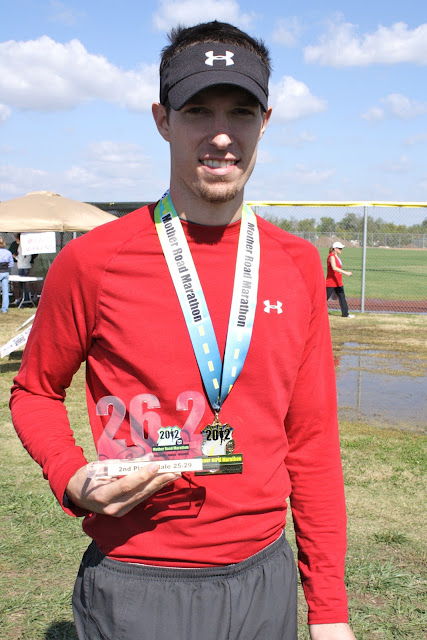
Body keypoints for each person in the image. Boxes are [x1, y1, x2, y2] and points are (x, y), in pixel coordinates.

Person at [10, 21, 356, 640]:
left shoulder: (298, 264)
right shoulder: (92, 261)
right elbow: (34, 390)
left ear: (265, 122)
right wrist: (70, 475)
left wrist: (328, 609)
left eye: (240, 112)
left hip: (263, 578)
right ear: (162, 119)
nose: (221, 134)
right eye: (198, 110)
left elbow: (312, 442)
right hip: (137, 580)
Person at [326, 241, 354, 318]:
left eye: (341, 248)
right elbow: (334, 267)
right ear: (335, 248)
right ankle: (315, 311)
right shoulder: (331, 256)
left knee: (342, 297)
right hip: (331, 282)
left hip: (338, 281)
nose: (341, 250)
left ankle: (345, 314)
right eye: (340, 248)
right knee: (324, 298)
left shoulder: (337, 256)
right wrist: (346, 272)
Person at [0, 236, 14, 313]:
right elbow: (11, 264)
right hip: (5, 272)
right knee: (5, 292)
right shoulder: (8, 252)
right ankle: (4, 309)